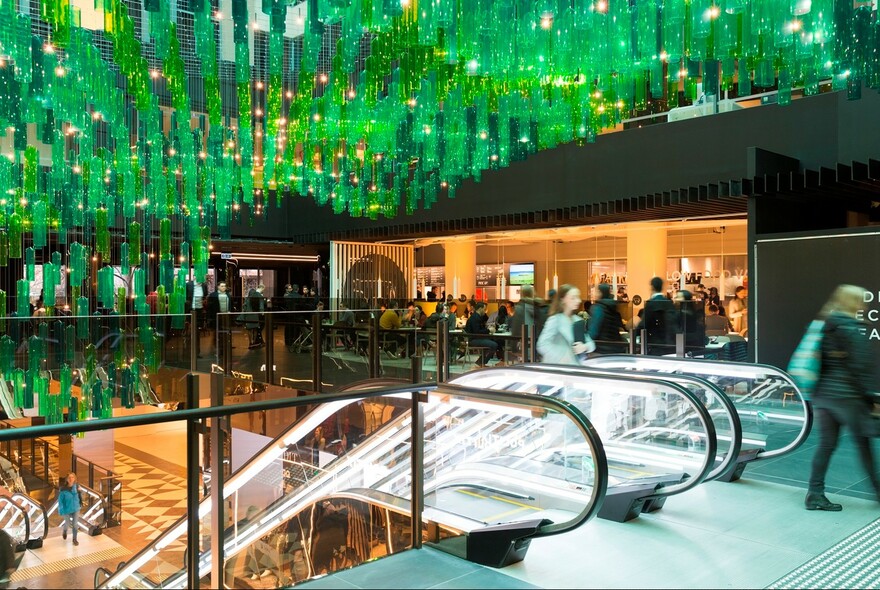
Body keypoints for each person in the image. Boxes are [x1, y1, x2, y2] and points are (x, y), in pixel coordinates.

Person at [805, 285, 879, 512]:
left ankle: (814, 494)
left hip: (824, 395)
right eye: (860, 301)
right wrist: (871, 398)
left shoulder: (825, 325)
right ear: (854, 303)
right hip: (847, 396)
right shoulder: (853, 328)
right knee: (864, 444)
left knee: (826, 444)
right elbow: (860, 368)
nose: (864, 305)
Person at [537, 284, 594, 365]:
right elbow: (542, 344)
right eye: (573, 298)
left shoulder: (578, 320)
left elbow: (591, 343)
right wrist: (561, 356)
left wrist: (584, 347)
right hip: (557, 368)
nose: (578, 301)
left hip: (574, 367)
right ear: (562, 299)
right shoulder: (555, 320)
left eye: (578, 297)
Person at [636, 277, 677, 355]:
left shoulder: (651, 303)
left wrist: (635, 333)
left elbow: (644, 323)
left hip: (654, 343)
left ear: (652, 287)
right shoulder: (669, 303)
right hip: (669, 342)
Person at [588, 283, 627, 355]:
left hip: (601, 349)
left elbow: (593, 331)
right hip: (616, 348)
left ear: (600, 293)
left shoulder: (598, 308)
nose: (594, 293)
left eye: (596, 291)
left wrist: (586, 342)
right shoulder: (613, 306)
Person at [465, 301, 499, 367]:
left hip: (475, 338)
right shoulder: (475, 318)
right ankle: (482, 361)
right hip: (473, 340)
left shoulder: (476, 317)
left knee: (494, 341)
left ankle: (480, 361)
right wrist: (488, 330)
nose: (485, 311)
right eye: (484, 309)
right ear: (480, 309)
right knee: (494, 345)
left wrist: (487, 329)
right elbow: (477, 332)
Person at [205, 282, 232, 357]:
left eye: (225, 286)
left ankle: (224, 349)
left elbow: (230, 305)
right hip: (217, 316)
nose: (224, 287)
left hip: (225, 315)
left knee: (225, 333)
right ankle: (217, 349)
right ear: (218, 287)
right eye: (222, 286)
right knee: (217, 333)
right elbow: (209, 307)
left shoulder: (228, 295)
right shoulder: (213, 295)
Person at [58, 472, 82, 546]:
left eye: (72, 477)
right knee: (67, 523)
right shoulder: (63, 489)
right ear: (67, 479)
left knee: (75, 524)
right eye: (69, 478)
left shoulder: (77, 487)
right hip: (66, 509)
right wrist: (61, 510)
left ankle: (74, 539)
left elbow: (79, 497)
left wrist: (80, 491)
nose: (71, 479)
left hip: (76, 508)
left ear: (74, 479)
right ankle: (65, 531)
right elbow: (60, 501)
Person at [241, 284, 266, 348]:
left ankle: (250, 342)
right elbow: (260, 305)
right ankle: (254, 342)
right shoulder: (256, 298)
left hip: (248, 315)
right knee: (255, 329)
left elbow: (244, 306)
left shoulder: (247, 299)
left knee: (249, 330)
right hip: (254, 315)